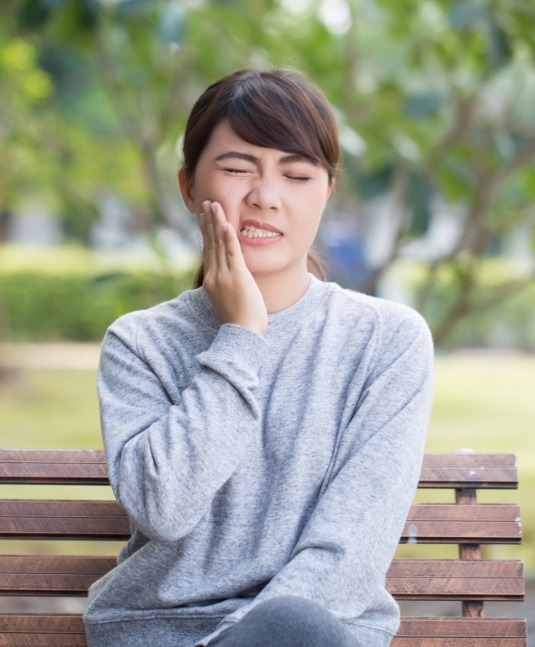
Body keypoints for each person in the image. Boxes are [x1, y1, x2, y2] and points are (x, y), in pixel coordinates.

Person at [84, 68, 434, 647]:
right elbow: (163, 507)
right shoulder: (140, 343)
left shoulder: (387, 341)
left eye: (296, 174)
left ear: (326, 192)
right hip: (160, 636)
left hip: (311, 635)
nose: (265, 197)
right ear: (188, 186)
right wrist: (242, 337)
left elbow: (345, 556)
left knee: (291, 625)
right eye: (237, 168)